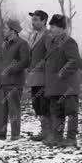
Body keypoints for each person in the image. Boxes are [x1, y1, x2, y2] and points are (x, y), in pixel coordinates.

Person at [43, 14, 82, 148]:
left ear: (61, 28)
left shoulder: (69, 42)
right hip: (54, 87)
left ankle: (71, 139)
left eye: (53, 27)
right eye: (50, 26)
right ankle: (57, 138)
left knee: (71, 113)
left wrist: (61, 73)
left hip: (67, 87)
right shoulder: (52, 43)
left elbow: (75, 61)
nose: (50, 29)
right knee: (57, 113)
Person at [0, 19, 30, 140]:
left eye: (6, 29)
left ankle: (15, 135)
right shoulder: (4, 44)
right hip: (3, 82)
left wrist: (11, 68)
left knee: (14, 110)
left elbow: (26, 61)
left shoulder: (22, 44)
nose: (3, 31)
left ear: (13, 31)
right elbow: (0, 63)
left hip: (15, 83)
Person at [26, 9, 51, 141]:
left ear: (44, 21)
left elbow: (50, 55)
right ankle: (44, 130)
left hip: (44, 76)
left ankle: (49, 132)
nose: (33, 22)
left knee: (44, 103)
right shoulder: (34, 35)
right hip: (34, 76)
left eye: (36, 20)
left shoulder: (48, 35)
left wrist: (40, 66)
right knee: (36, 104)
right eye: (32, 19)